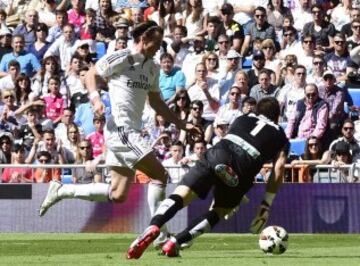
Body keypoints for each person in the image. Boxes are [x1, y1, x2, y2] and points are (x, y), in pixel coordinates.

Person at [39, 21, 199, 242]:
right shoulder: (122, 57)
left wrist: (181, 124)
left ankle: (62, 190)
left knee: (118, 193)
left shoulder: (152, 67)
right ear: (144, 40)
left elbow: (157, 102)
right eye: (156, 43)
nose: (158, 48)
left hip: (129, 131)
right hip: (121, 130)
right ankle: (160, 233)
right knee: (160, 175)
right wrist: (95, 100)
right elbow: (91, 75)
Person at [127, 97, 289, 259]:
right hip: (244, 167)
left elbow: (235, 144)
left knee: (182, 194)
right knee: (219, 211)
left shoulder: (242, 117)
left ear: (257, 111)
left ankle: (154, 225)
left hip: (218, 152)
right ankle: (175, 243)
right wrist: (266, 204)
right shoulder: (281, 136)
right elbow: (279, 167)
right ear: (277, 117)